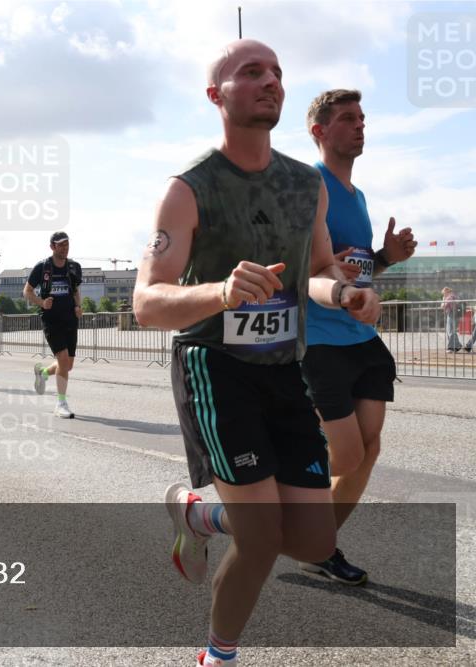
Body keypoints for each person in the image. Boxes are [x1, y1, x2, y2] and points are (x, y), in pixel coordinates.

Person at [131, 40, 380, 667]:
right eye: (251, 72)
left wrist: (346, 292)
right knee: (262, 537)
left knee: (314, 537)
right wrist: (219, 292)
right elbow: (146, 302)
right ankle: (219, 656)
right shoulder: (188, 190)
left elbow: (319, 270)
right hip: (215, 368)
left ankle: (198, 513)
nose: (269, 81)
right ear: (217, 95)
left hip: (282, 368)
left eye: (276, 72)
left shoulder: (305, 185)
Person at [299, 89, 417, 585]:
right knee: (344, 456)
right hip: (321, 341)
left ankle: (317, 548)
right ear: (320, 132)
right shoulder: (310, 187)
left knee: (369, 450)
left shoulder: (357, 195)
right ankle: (275, 504)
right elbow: (309, 268)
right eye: (348, 119)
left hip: (361, 341)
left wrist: (385, 257)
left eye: (363, 118)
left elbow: (356, 265)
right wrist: (337, 282)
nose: (361, 125)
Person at [24, 231, 83, 418]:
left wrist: (78, 306)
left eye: (67, 244)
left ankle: (42, 373)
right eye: (61, 245)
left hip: (70, 320)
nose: (65, 248)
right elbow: (27, 291)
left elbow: (74, 290)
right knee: (63, 360)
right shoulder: (42, 267)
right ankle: (61, 403)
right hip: (51, 320)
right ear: (52, 247)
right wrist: (41, 303)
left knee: (67, 365)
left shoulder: (74, 267)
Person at [442, 287, 463, 352]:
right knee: (452, 331)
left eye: (443, 293)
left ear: (446, 291)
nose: (443, 294)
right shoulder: (454, 296)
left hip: (451, 314)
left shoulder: (449, 297)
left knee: (450, 331)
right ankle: (458, 345)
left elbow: (443, 306)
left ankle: (451, 348)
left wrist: (443, 300)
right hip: (454, 314)